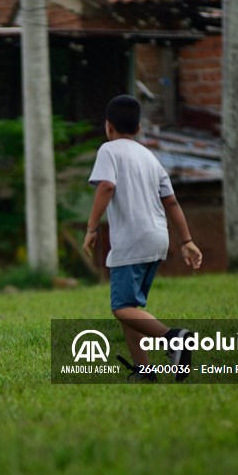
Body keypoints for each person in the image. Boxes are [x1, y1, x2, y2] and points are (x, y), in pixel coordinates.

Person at [83, 95, 203, 381]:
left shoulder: (109, 150)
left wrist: (91, 228)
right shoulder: (150, 156)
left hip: (132, 241)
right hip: (157, 239)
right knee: (130, 308)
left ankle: (174, 339)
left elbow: (106, 187)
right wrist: (186, 240)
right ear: (138, 127)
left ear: (108, 126)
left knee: (121, 308)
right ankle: (144, 370)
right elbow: (171, 202)